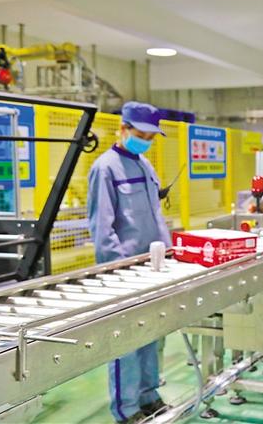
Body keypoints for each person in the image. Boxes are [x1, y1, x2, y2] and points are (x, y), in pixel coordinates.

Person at [88, 101, 171, 424]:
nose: (146, 141)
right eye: (141, 135)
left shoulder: (146, 166)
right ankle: (126, 409)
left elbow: (156, 216)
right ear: (123, 129)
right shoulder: (105, 168)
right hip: (125, 270)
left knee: (151, 334)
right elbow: (101, 227)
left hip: (153, 267)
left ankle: (149, 395)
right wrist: (117, 269)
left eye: (151, 137)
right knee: (126, 342)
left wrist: (169, 254)